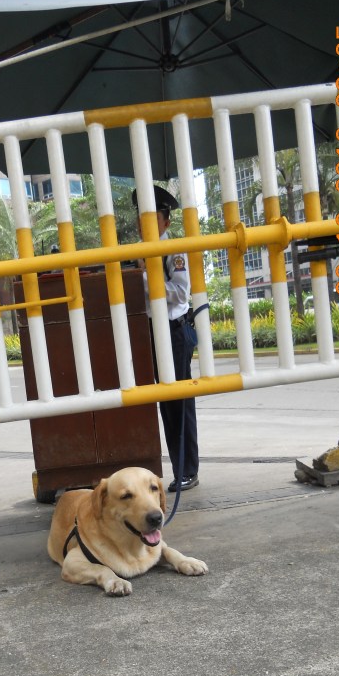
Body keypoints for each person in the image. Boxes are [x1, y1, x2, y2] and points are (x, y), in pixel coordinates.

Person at [133, 184, 199, 492]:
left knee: (178, 404)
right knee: (165, 405)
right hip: (151, 331)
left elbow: (180, 292)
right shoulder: (139, 249)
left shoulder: (171, 249)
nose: (144, 220)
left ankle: (188, 470)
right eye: (141, 215)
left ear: (166, 221)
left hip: (173, 331)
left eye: (152, 215)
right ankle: (180, 469)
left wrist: (144, 278)